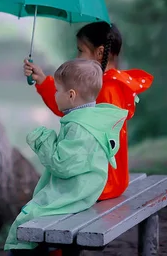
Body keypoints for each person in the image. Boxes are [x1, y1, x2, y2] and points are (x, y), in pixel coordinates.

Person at [5, 59, 128, 255]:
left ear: (71, 95)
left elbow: (61, 164)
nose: (54, 94)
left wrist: (42, 140)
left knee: (28, 218)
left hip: (75, 193)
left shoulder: (79, 128)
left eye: (56, 90)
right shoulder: (90, 119)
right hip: (85, 189)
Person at [23, 22, 153, 200]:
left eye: (81, 50)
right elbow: (71, 107)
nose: (77, 57)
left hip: (101, 182)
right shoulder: (108, 84)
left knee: (50, 195)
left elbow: (71, 109)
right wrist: (43, 81)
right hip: (113, 179)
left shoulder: (107, 90)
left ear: (99, 53)